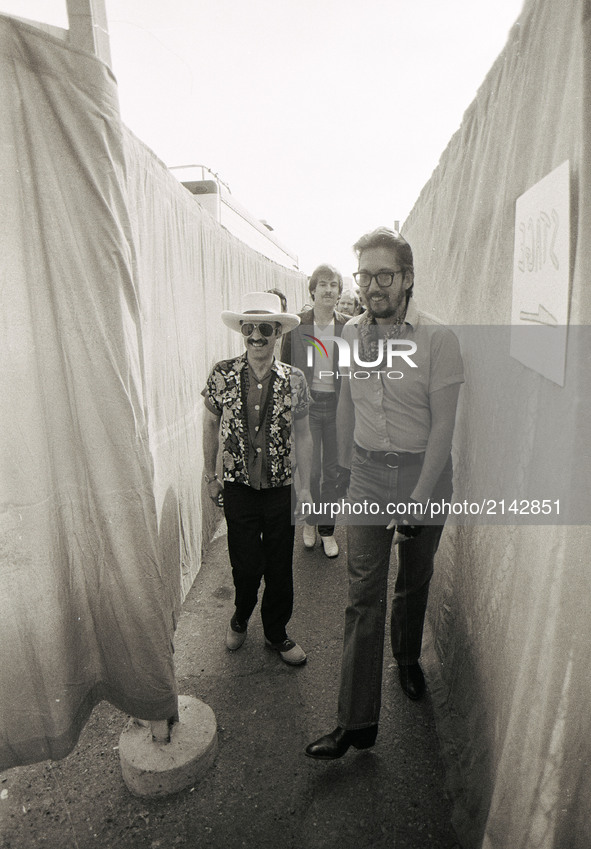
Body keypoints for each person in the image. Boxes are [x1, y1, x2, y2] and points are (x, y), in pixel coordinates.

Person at [305, 227, 464, 758]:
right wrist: (345, 469)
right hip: (369, 477)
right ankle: (356, 723)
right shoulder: (351, 332)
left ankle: (407, 658)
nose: (373, 285)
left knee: (413, 581)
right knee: (361, 596)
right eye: (365, 275)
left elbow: (444, 427)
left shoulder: (439, 339)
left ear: (407, 278)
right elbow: (347, 400)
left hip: (426, 475)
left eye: (384, 274)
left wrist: (419, 497)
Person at [202, 292, 313, 666]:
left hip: (280, 487)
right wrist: (209, 475)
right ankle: (240, 615)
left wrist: (308, 486)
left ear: (277, 332)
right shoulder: (222, 373)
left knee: (280, 567)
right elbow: (211, 421)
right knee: (246, 564)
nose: (256, 336)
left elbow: (305, 434)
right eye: (249, 328)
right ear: (243, 332)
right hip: (238, 487)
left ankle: (276, 633)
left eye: (265, 328)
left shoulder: (294, 379)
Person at [280, 264, 349, 558]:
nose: (329, 289)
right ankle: (309, 523)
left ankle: (327, 530)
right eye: (323, 284)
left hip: (336, 407)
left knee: (332, 472)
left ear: (338, 293)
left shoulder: (348, 326)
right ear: (312, 290)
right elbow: (283, 370)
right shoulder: (297, 325)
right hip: (307, 408)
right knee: (311, 471)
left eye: (334, 285)